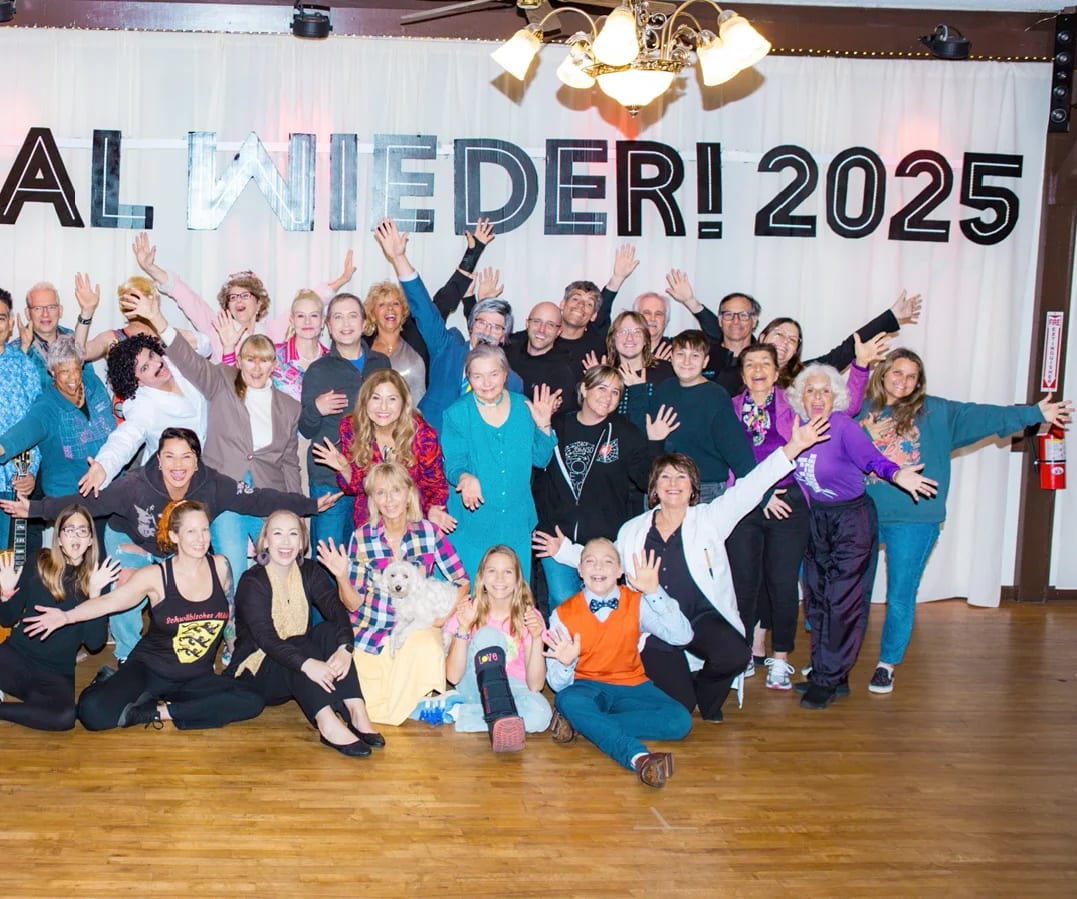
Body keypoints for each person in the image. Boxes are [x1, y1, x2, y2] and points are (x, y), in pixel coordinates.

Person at [536, 416, 830, 723]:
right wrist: (564, 550)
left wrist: (793, 447)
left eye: (681, 478)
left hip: (702, 618)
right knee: (681, 706)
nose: (673, 484)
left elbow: (750, 487)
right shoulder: (634, 529)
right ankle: (684, 693)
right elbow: (607, 561)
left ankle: (708, 697)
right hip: (657, 624)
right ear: (654, 488)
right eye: (665, 477)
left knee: (735, 654)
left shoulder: (710, 519)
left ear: (693, 488)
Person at [2, 428, 330, 663]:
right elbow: (86, 503)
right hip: (129, 540)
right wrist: (34, 509)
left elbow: (258, 499)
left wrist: (310, 505)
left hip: (173, 550)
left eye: (186, 457)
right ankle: (128, 654)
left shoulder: (213, 485)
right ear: (158, 459)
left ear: (197, 461)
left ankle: (216, 648)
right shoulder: (133, 486)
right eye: (169, 456)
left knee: (211, 579)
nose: (178, 465)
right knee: (124, 587)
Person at [859, 349, 1072, 694]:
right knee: (851, 593)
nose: (903, 381)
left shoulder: (937, 412)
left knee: (900, 595)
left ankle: (887, 665)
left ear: (919, 382)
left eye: (912, 376)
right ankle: (835, 661)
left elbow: (987, 416)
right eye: (897, 372)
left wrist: (1034, 413)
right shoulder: (860, 407)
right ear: (883, 373)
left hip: (915, 518)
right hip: (861, 514)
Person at [123, 289, 310, 592]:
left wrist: (297, 509)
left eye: (264, 361)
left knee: (277, 577)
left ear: (274, 365)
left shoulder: (290, 408)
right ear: (239, 361)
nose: (257, 367)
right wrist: (157, 317)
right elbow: (188, 360)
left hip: (268, 498)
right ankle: (233, 623)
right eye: (250, 360)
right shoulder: (222, 381)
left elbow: (290, 464)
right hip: (225, 498)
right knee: (231, 574)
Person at [25, 500, 265, 731]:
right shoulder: (155, 576)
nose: (201, 538)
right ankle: (113, 683)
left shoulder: (221, 566)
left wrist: (236, 661)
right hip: (150, 669)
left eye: (204, 530)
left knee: (252, 699)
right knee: (91, 712)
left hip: (196, 677)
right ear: (174, 536)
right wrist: (67, 616)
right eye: (191, 531)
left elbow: (230, 619)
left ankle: (156, 712)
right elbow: (110, 602)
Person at [727, 337, 882, 688]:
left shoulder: (792, 403)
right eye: (750, 364)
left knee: (783, 584)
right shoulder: (731, 407)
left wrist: (860, 367)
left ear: (776, 371)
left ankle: (781, 659)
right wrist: (758, 494)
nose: (758, 370)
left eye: (765, 364)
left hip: (790, 503)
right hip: (746, 502)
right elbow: (729, 456)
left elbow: (843, 408)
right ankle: (744, 654)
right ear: (742, 373)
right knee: (743, 584)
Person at [785, 364, 937, 710]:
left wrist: (898, 474)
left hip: (851, 521)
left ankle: (827, 680)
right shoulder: (798, 429)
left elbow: (872, 460)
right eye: (811, 390)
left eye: (826, 391)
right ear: (800, 397)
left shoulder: (843, 427)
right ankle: (829, 673)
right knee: (817, 598)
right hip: (818, 520)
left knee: (842, 602)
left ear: (836, 397)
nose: (818, 397)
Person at [316, 462, 469, 726]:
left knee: (426, 647)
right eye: (380, 492)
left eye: (396, 490)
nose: (389, 500)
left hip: (415, 627)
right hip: (370, 630)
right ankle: (416, 707)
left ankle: (409, 702)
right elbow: (352, 604)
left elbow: (462, 581)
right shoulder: (361, 537)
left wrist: (441, 620)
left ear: (409, 494)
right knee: (364, 705)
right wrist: (341, 576)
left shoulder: (429, 532)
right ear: (373, 500)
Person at [228, 511, 382, 757]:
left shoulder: (309, 571)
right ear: (265, 541)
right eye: (278, 534)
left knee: (330, 631)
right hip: (256, 672)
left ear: (301, 543)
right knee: (299, 642)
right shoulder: (252, 581)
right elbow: (266, 639)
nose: (286, 542)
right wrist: (307, 664)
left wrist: (345, 648)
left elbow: (335, 609)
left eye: (293, 534)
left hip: (295, 661)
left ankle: (356, 712)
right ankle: (328, 723)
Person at [541, 540, 693, 788]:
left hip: (633, 685)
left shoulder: (637, 602)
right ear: (580, 569)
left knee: (680, 720)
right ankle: (639, 757)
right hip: (587, 687)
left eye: (608, 561)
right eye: (590, 561)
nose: (598, 567)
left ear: (620, 570)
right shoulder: (562, 614)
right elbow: (557, 684)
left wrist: (654, 592)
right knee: (566, 700)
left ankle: (583, 725)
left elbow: (682, 637)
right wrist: (567, 663)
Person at [533, 364, 673, 609]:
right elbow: (536, 469)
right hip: (557, 537)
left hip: (603, 541)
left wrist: (655, 443)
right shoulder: (557, 425)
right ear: (584, 390)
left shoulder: (625, 432)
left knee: (601, 607)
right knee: (564, 602)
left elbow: (646, 481)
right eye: (601, 388)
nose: (608, 397)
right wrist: (542, 427)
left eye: (615, 392)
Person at [373, 216, 523, 432]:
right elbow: (424, 309)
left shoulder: (513, 382)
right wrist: (398, 258)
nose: (487, 331)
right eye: (482, 322)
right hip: (429, 444)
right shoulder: (447, 348)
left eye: (496, 327)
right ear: (471, 326)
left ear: (504, 336)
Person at [131, 231, 356, 362]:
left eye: (245, 295)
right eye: (233, 297)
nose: (238, 300)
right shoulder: (216, 328)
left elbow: (309, 302)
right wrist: (151, 268)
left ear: (259, 303)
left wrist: (342, 279)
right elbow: (185, 295)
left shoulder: (272, 331)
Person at [441, 344, 557, 581]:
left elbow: (541, 458)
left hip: (515, 522)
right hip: (473, 523)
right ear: (469, 377)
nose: (486, 383)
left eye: (493, 374)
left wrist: (544, 425)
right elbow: (453, 463)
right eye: (477, 376)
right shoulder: (457, 413)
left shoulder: (523, 407)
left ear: (505, 374)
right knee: (473, 594)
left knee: (513, 594)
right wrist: (465, 477)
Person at [0, 505, 113, 730]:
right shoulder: (38, 561)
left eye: (83, 531)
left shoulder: (98, 578)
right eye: (69, 530)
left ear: (91, 540)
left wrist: (95, 595)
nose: (76, 536)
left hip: (55, 672)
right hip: (16, 657)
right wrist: (5, 593)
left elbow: (94, 643)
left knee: (65, 717)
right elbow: (7, 618)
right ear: (59, 538)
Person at [299, 292, 391, 551]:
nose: (346, 323)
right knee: (329, 554)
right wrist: (317, 408)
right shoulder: (318, 370)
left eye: (352, 316)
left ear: (364, 323)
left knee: (369, 553)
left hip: (372, 475)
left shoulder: (381, 363)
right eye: (338, 317)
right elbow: (305, 428)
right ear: (329, 326)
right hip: (330, 477)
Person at [312, 368, 450, 533]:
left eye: (392, 399)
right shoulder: (352, 428)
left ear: (404, 403)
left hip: (412, 517)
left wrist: (433, 508)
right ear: (365, 401)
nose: (383, 407)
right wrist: (345, 469)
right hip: (370, 518)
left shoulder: (422, 435)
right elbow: (358, 489)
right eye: (376, 398)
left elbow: (435, 486)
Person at [443, 545, 552, 746]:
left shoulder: (530, 616)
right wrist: (464, 627)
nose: (499, 579)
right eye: (492, 571)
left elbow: (535, 686)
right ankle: (502, 715)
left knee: (542, 714)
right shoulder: (469, 610)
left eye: (507, 572)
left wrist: (537, 638)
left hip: (513, 687)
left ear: (518, 579)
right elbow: (453, 677)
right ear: (482, 578)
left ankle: (457, 711)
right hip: (475, 685)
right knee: (489, 635)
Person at [79, 332, 208, 495]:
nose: (157, 364)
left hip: (210, 465)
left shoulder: (175, 362)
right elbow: (125, 438)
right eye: (145, 368)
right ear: (137, 381)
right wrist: (104, 466)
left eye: (152, 355)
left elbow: (205, 346)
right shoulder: (142, 406)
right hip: (169, 485)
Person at [0, 335, 114, 498]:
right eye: (64, 371)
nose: (73, 377)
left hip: (111, 488)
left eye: (76, 369)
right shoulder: (47, 406)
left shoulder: (93, 383)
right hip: (69, 500)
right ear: (52, 372)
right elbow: (21, 434)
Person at [650, 329, 755, 502]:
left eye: (695, 356)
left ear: (705, 361)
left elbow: (737, 452)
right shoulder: (664, 389)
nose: (686, 361)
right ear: (672, 357)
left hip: (704, 488)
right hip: (665, 485)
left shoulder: (716, 396)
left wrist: (763, 494)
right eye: (681, 354)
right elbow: (648, 439)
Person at [584, 311, 674, 432]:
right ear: (613, 338)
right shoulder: (606, 376)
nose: (629, 338)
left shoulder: (665, 371)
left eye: (637, 332)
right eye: (623, 331)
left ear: (646, 339)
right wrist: (596, 381)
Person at [0, 287, 41, 551]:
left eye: (1, 317)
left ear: (10, 324)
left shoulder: (24, 365)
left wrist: (31, 472)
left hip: (11, 483)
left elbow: (36, 424)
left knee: (6, 561)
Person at [363, 280, 427, 404]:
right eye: (382, 304)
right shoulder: (362, 348)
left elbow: (440, 305)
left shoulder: (419, 339)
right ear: (372, 314)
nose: (390, 308)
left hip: (416, 415)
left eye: (395, 303)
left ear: (403, 311)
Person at [270, 289, 328, 402]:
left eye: (314, 315)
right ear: (292, 321)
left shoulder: (332, 361)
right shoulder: (273, 354)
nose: (307, 322)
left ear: (322, 321)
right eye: (301, 316)